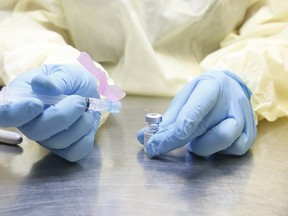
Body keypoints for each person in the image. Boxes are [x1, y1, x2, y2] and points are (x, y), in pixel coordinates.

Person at [0, 0, 287, 162]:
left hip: (221, 99)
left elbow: (279, 25)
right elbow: (22, 15)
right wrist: (50, 64)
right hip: (88, 80)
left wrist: (243, 78)